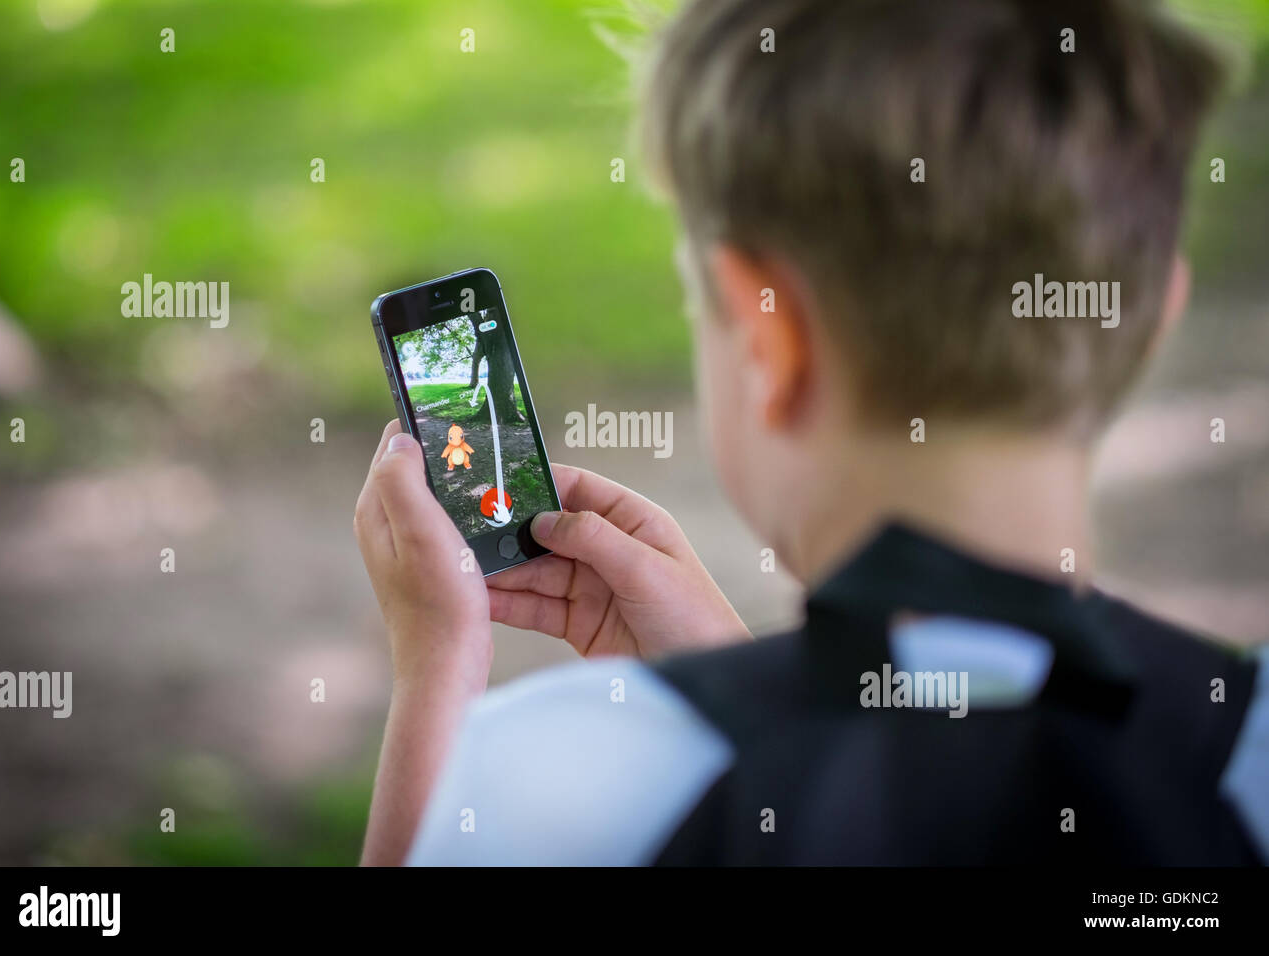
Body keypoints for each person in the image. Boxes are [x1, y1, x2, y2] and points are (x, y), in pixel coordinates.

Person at [353, 0, 1268, 865]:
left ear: (769, 339)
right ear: (1152, 320)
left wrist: (440, 670)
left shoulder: (563, 777)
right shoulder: (1245, 748)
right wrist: (718, 682)